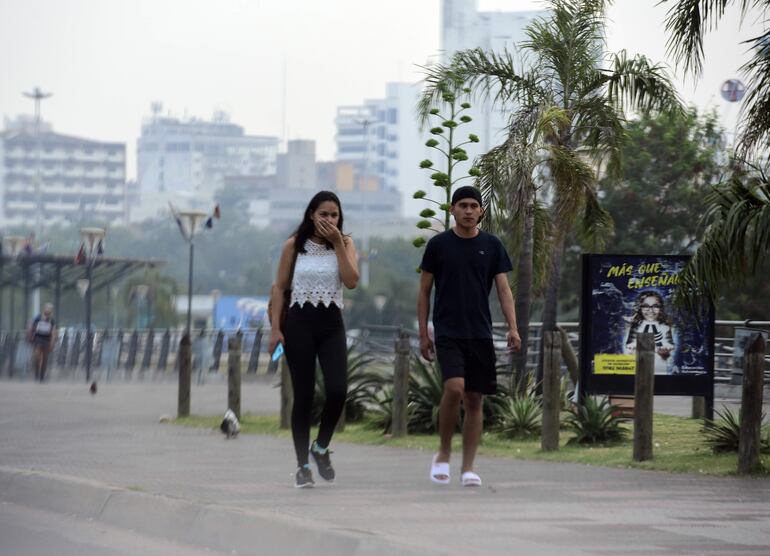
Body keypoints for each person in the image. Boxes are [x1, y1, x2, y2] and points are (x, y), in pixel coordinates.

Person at [417, 186, 521, 487]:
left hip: (480, 333)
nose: (468, 211)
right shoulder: (438, 245)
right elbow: (423, 292)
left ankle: (469, 467)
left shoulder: (492, 245)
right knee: (454, 388)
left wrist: (513, 327)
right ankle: (443, 454)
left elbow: (503, 289)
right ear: (452, 210)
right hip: (448, 332)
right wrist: (424, 333)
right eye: (462, 205)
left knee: (475, 399)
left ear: (481, 211)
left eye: (474, 206)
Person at [269, 191, 359, 488]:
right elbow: (279, 287)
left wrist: (337, 244)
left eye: (334, 215)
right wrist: (275, 329)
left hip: (331, 323)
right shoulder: (293, 246)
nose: (329, 220)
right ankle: (302, 466)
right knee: (304, 397)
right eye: (324, 214)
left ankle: (320, 448)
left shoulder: (345, 244)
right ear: (311, 214)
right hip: (299, 325)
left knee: (337, 390)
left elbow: (351, 280)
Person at [625, 290, 675, 374]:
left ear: (661, 308)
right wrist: (633, 347)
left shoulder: (665, 326)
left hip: (659, 366)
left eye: (655, 306)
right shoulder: (636, 326)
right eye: (645, 306)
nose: (650, 310)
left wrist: (665, 349)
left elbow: (670, 344)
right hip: (639, 365)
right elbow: (629, 344)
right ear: (639, 308)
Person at [28, 303, 57, 382]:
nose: (48, 310)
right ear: (44, 309)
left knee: (45, 358)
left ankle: (42, 375)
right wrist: (30, 336)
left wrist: (52, 342)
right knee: (36, 356)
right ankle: (36, 372)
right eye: (47, 308)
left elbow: (53, 332)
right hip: (38, 338)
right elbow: (31, 326)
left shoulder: (52, 321)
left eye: (50, 309)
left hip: (46, 339)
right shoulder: (38, 318)